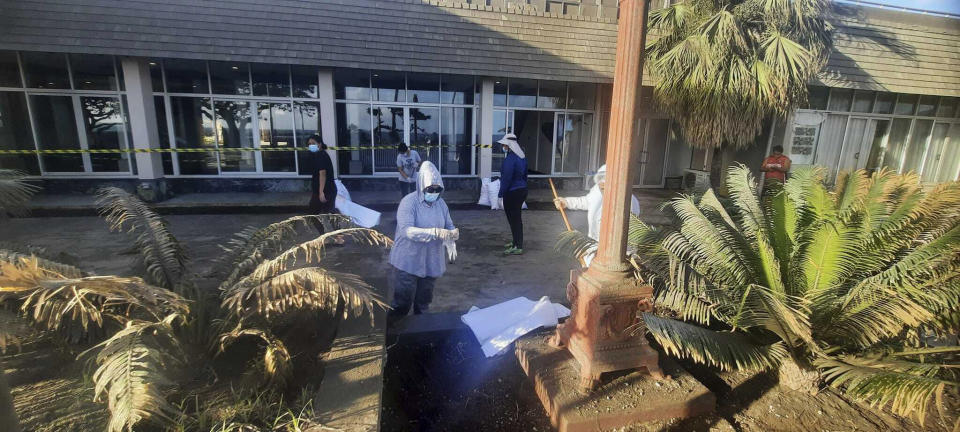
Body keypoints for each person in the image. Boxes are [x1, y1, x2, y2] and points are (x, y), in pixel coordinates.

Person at [388, 161, 459, 319]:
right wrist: (435, 232)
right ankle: (392, 337)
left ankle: (420, 334)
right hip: (408, 261)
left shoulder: (441, 204)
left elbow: (449, 225)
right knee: (402, 304)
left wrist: (452, 236)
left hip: (431, 261)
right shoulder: (409, 202)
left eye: (437, 189)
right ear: (422, 186)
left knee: (423, 304)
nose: (434, 192)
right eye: (430, 189)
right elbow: (408, 231)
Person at [554, 165, 640, 264]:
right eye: (600, 182)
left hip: (617, 257)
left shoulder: (629, 203)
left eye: (606, 183)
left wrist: (589, 250)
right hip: (595, 248)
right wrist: (566, 202)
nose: (601, 186)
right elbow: (587, 201)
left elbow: (619, 239)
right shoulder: (598, 190)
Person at [497, 133, 528, 255]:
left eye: (504, 144)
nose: (503, 146)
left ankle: (517, 246)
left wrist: (500, 194)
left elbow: (506, 179)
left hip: (512, 192)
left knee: (513, 219)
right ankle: (516, 242)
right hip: (522, 190)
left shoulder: (510, 159)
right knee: (516, 218)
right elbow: (525, 175)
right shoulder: (522, 157)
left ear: (509, 145)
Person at [303, 135, 338, 233]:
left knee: (313, 214)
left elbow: (322, 174)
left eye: (313, 143)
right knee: (330, 214)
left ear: (320, 144)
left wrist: (321, 192)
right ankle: (334, 237)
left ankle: (329, 237)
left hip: (325, 190)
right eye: (309, 144)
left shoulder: (321, 156)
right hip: (327, 189)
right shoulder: (318, 155)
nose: (311, 145)